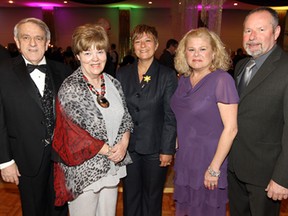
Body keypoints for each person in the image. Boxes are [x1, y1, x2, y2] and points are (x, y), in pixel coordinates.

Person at [52, 24, 133, 216]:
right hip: (83, 171)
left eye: (100, 51)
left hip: (111, 165)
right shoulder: (71, 87)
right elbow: (73, 133)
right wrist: (108, 150)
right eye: (87, 53)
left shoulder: (113, 83)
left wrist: (124, 142)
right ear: (78, 56)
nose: (95, 58)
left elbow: (126, 117)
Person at [0, 17, 71, 216]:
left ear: (47, 43)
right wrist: (5, 162)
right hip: (24, 159)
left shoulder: (63, 70)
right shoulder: (2, 72)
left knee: (60, 209)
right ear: (17, 40)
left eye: (39, 38)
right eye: (26, 37)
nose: (33, 43)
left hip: (60, 158)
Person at [170, 27, 239, 216]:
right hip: (185, 158)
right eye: (191, 49)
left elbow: (231, 129)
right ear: (184, 53)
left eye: (202, 49)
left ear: (214, 52)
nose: (196, 54)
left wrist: (214, 168)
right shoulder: (183, 80)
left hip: (209, 159)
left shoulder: (222, 80)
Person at [228, 7, 288, 216]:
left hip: (266, 175)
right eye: (247, 31)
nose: (252, 37)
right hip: (235, 167)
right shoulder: (241, 66)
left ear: (276, 32)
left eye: (260, 30)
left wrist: (282, 177)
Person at [117, 24, 178, 216]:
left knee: (152, 197)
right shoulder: (122, 74)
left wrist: (167, 149)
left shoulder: (167, 75)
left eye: (147, 40)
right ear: (132, 46)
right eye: (138, 41)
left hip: (155, 148)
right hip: (129, 148)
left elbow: (170, 115)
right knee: (130, 196)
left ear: (156, 44)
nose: (142, 45)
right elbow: (119, 112)